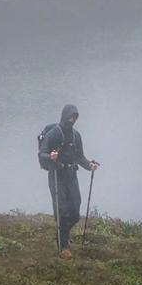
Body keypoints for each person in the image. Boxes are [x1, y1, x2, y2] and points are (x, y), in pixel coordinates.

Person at [38, 103, 99, 258]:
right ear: (65, 116)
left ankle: (62, 233)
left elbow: (80, 157)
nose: (72, 119)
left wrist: (89, 165)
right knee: (63, 210)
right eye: (70, 116)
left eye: (75, 117)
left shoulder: (76, 135)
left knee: (75, 212)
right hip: (57, 175)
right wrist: (50, 157)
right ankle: (63, 245)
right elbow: (42, 153)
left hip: (71, 175)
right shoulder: (53, 134)